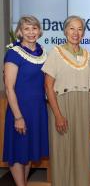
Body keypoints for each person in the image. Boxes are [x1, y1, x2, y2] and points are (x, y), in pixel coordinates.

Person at [42, 15, 90, 186]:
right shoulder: (55, 53)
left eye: (80, 29)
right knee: (61, 152)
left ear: (83, 33)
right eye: (72, 28)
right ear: (65, 31)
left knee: (82, 152)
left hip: (84, 107)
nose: (75, 32)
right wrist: (57, 115)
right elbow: (48, 86)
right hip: (62, 106)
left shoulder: (89, 56)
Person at [3, 15, 48, 186]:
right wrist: (18, 117)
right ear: (20, 32)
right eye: (27, 29)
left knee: (28, 151)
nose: (31, 32)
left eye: (34, 28)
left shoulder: (43, 52)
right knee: (18, 150)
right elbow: (9, 88)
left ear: (39, 30)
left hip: (37, 110)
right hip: (20, 110)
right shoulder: (13, 54)